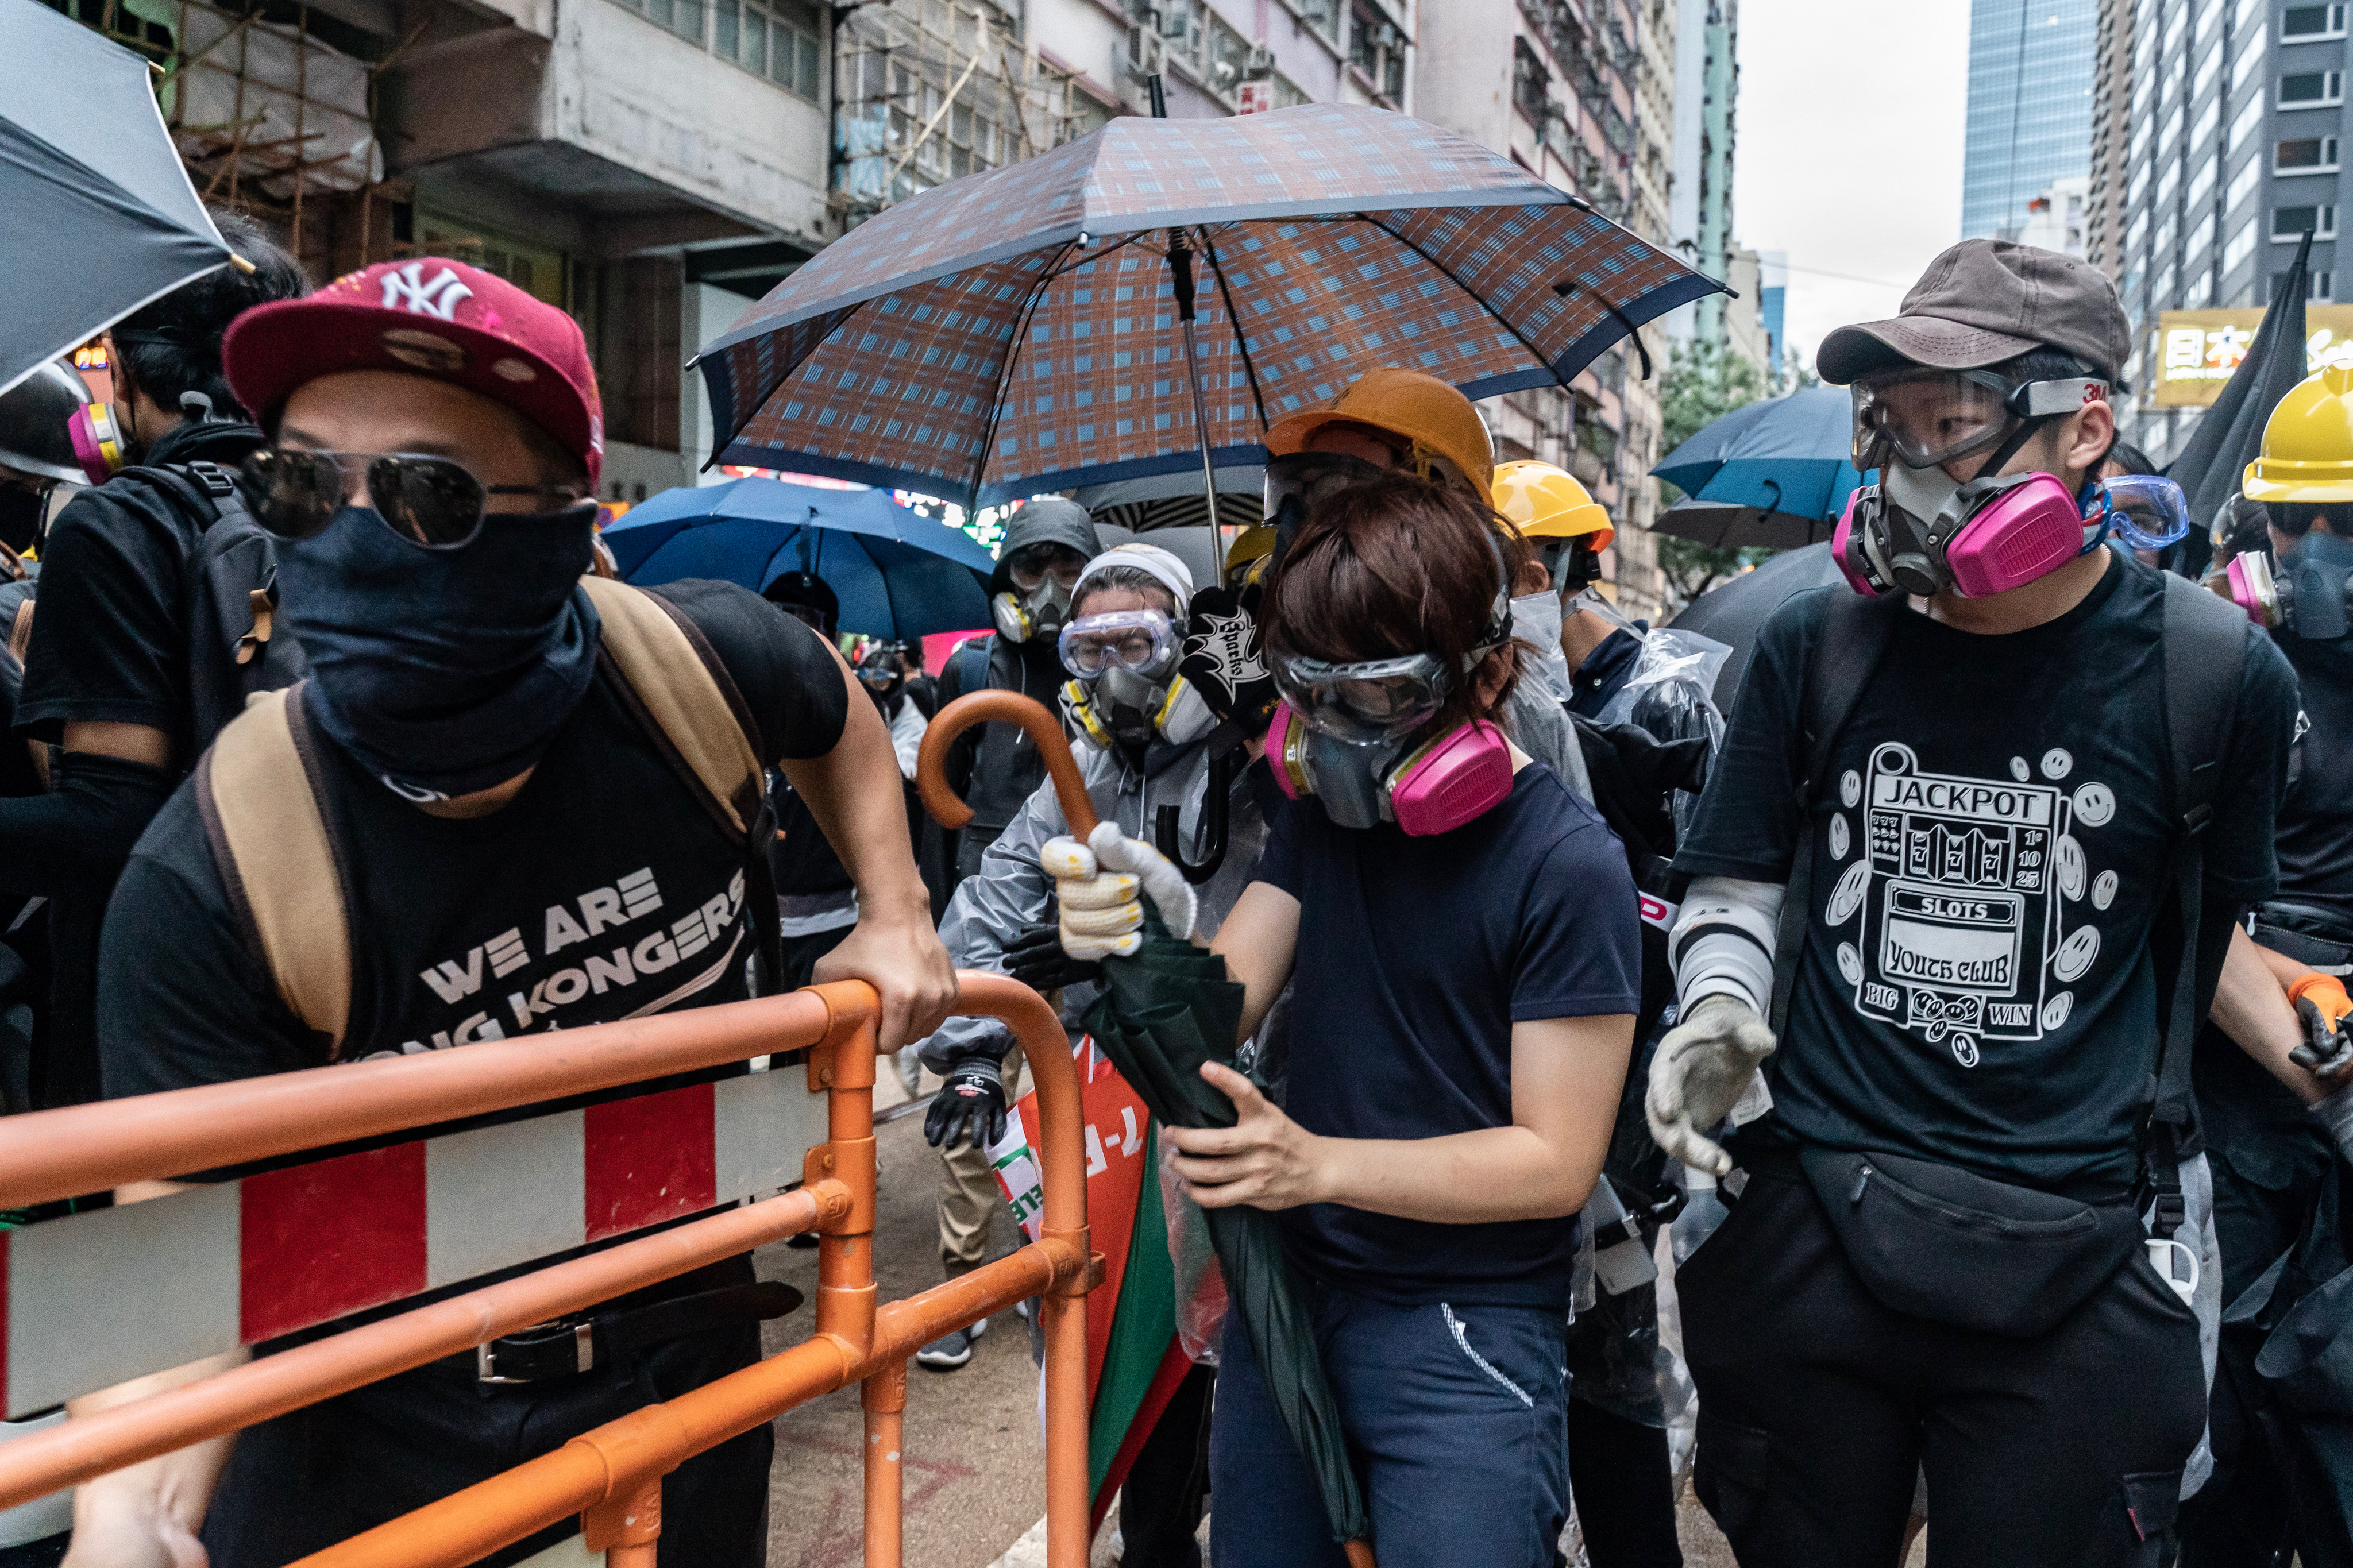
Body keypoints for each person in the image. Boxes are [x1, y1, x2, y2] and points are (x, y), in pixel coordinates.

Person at [67, 258, 955, 1568]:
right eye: (306, 485)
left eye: (434, 492)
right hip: (383, 1463)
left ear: (570, 530)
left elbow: (822, 691)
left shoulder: (683, 669)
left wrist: (898, 907)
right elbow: (184, 1256)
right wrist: (126, 1512)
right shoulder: (222, 876)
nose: (354, 538)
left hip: (689, 1401)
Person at [1652, 239, 2313, 1566]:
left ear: (2086, 426)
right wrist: (1718, 1005)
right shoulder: (1816, 641)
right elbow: (1740, 874)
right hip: (1815, 1229)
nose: (1905, 467)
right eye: (1882, 429)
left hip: (2082, 1259)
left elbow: (2203, 942)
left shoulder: (2213, 674)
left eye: (1949, 427)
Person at [1043, 477, 1638, 1565]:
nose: (1334, 732)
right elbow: (1218, 1014)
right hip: (1294, 1309)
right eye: (1307, 694)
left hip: (1466, 1333)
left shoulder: (1569, 868)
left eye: (1377, 695)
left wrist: (1312, 1165)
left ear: (1482, 666)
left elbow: (1552, 1161)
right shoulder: (1323, 824)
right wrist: (1146, 935)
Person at [915, 542, 1244, 1374]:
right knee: (1110, 1349)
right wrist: (972, 1055)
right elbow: (994, 901)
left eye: (1135, 646)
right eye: (1088, 651)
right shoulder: (1077, 772)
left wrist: (1254, 717)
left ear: (1182, 647)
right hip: (1112, 1097)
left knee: (1232, 1348)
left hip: (1241, 1097)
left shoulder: (1245, 760)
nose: (1111, 673)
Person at [4, 212, 307, 1110]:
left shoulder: (123, 522)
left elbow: (109, 827)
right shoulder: (338, 504)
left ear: (128, 372)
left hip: (156, 1023)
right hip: (327, 984)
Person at [2178, 368, 2353, 1566]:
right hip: (2238, 1114)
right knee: (2223, 1437)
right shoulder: (2224, 673)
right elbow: (2175, 915)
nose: (2323, 552)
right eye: (2303, 522)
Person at [934, 497, 1102, 887]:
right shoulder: (971, 671)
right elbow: (938, 817)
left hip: (1081, 889)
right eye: (1031, 570)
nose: (1048, 589)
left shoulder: (1109, 671)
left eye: (1068, 571)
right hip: (984, 890)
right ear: (1008, 580)